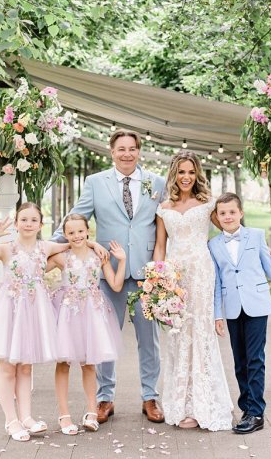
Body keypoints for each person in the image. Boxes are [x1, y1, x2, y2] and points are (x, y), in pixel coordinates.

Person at [52, 130, 166, 423]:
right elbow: (76, 218)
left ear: (139, 151)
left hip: (146, 273)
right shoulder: (95, 183)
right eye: (121, 149)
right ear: (111, 152)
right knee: (103, 336)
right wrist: (45, 248)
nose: (126, 154)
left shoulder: (157, 183)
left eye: (132, 149)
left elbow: (171, 224)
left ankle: (150, 397)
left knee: (149, 340)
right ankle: (104, 398)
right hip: (107, 272)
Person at [0, 203, 70, 442]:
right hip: (8, 309)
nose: (29, 224)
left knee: (25, 366)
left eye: (34, 220)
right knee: (7, 367)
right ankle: (11, 420)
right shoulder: (7, 248)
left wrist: (92, 243)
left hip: (33, 311)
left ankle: (27, 417)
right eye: (24, 219)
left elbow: (74, 243)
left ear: (41, 225)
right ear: (17, 222)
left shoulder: (46, 246)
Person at [209, 192, 271, 435]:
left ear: (241, 213)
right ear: (217, 218)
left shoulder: (257, 236)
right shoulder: (214, 245)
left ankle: (256, 412)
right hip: (231, 308)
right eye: (222, 213)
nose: (227, 216)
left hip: (257, 306)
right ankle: (246, 408)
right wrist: (217, 315)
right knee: (239, 362)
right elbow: (217, 282)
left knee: (255, 359)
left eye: (232, 211)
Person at [153, 150, 234, 430]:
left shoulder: (208, 203)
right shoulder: (164, 208)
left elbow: (229, 229)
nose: (186, 177)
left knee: (200, 333)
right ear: (174, 174)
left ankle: (205, 404)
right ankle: (183, 405)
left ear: (197, 174)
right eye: (181, 172)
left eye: (191, 172)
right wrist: (157, 279)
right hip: (175, 274)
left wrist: (261, 249)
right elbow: (160, 246)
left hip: (201, 272)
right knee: (178, 336)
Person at [47, 214, 126, 435]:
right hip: (68, 315)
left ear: (87, 230)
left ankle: (92, 412)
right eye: (71, 232)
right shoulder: (62, 257)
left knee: (89, 363)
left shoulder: (98, 256)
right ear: (65, 235)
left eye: (80, 231)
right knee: (63, 363)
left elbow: (116, 285)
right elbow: (36, 269)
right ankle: (64, 415)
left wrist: (122, 260)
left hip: (92, 315)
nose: (76, 236)